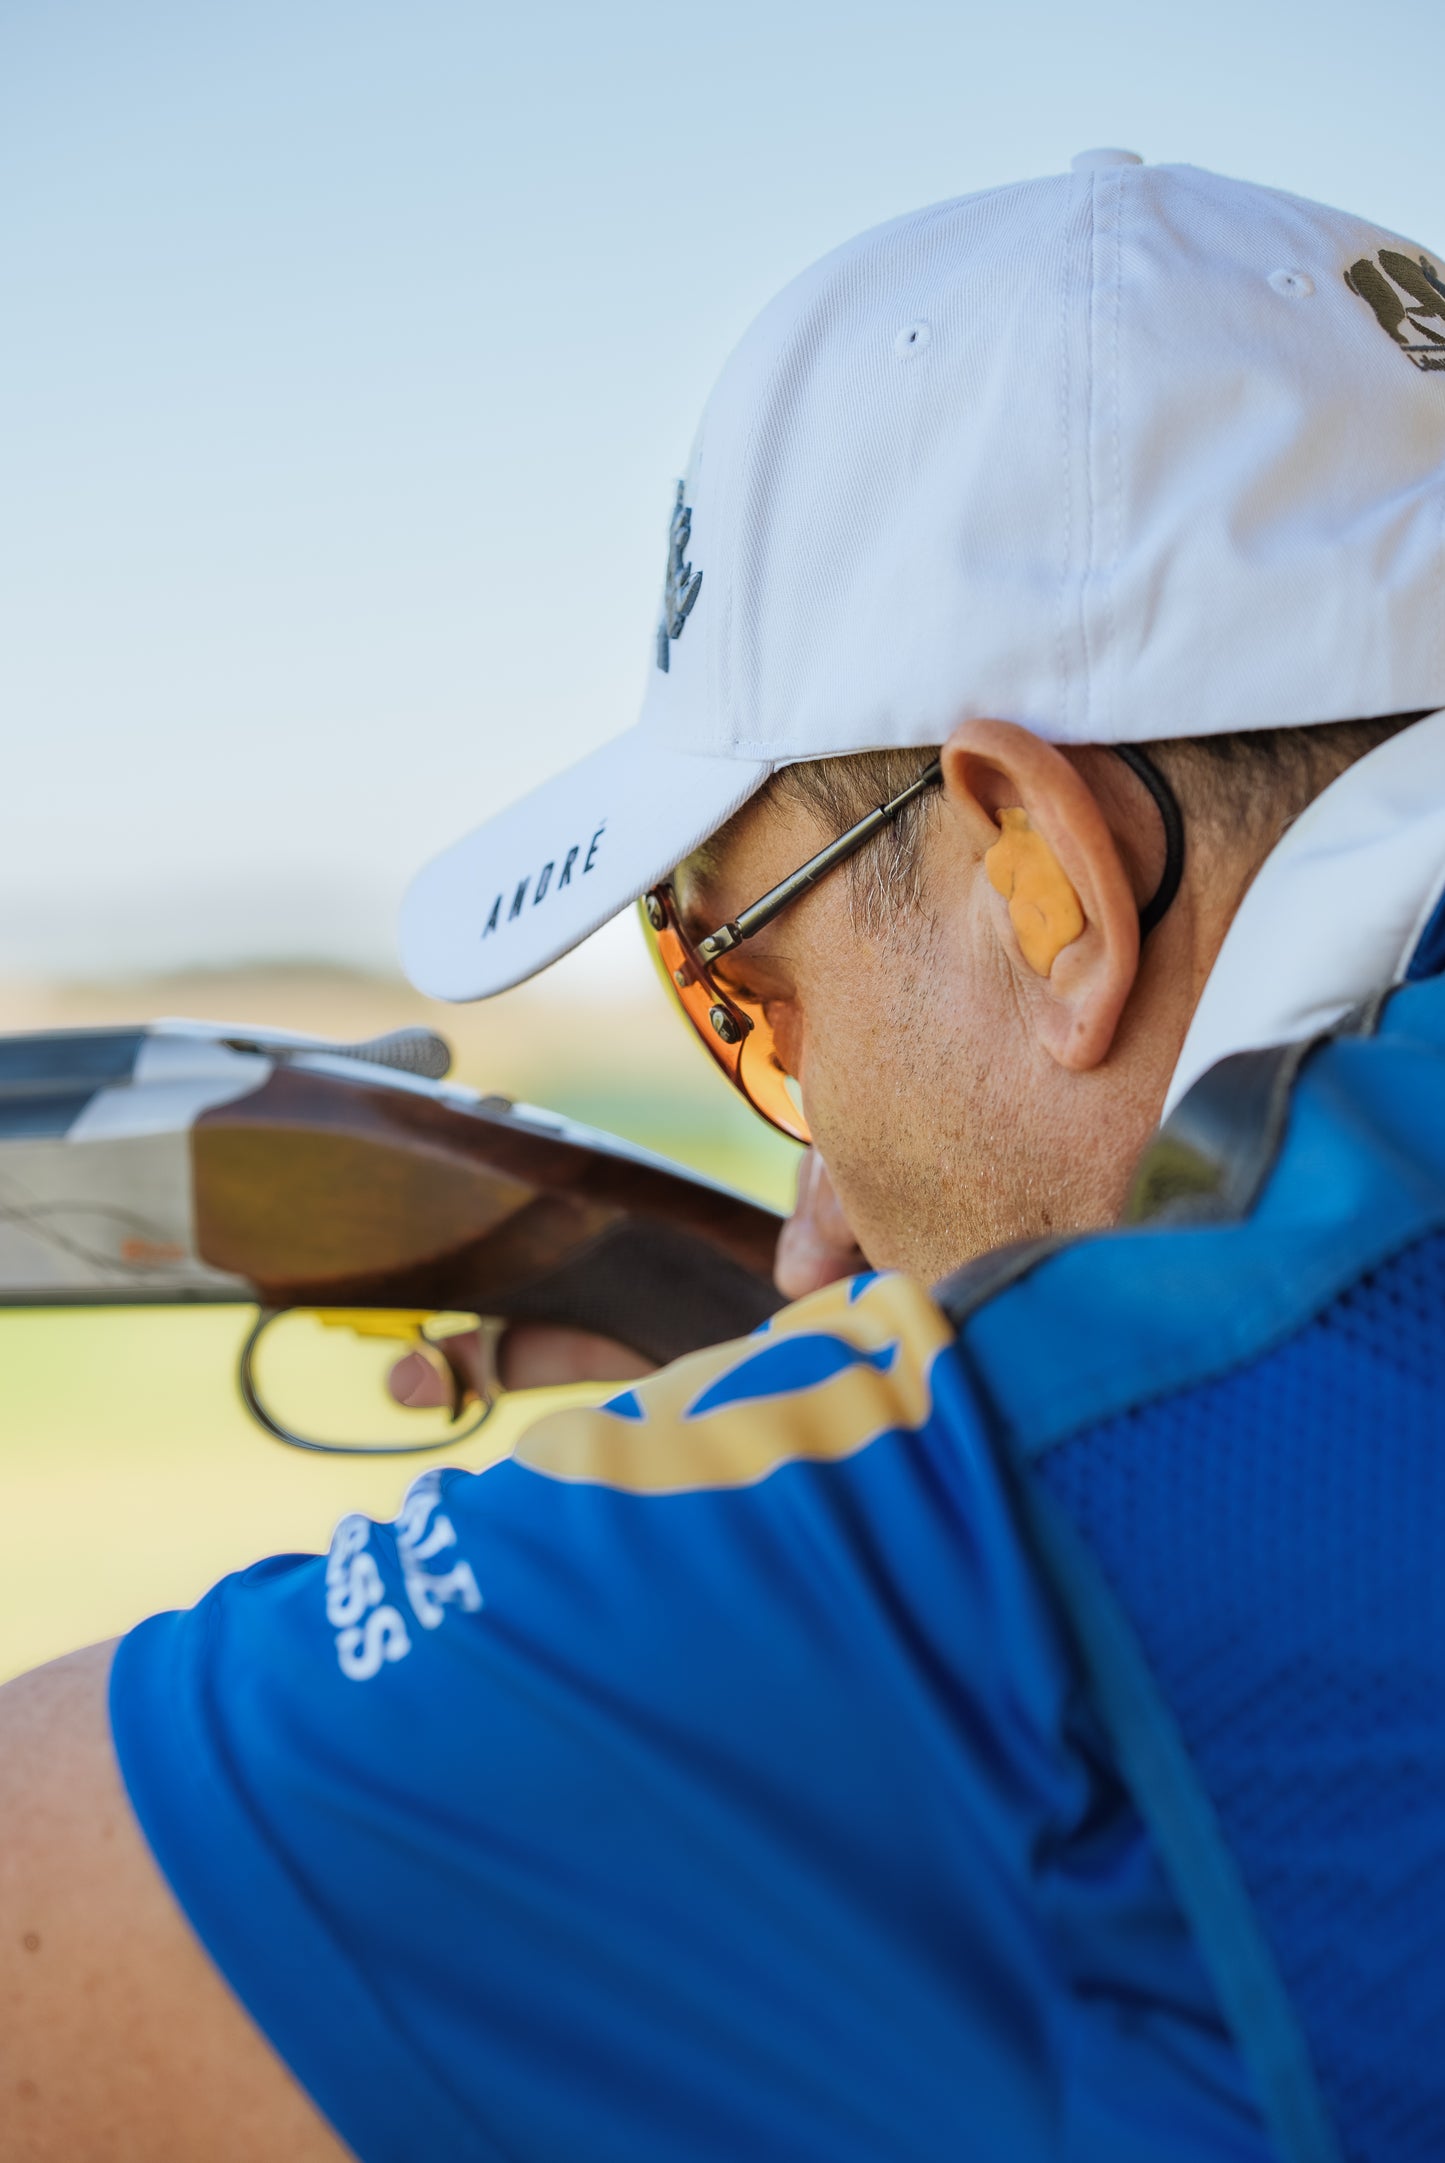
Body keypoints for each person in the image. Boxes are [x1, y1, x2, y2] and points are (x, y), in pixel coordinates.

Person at [4, 150, 1445, 2163]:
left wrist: (730, 1507)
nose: (805, 1238)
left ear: (1055, 880)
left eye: (746, 989)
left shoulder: (1055, 1520)